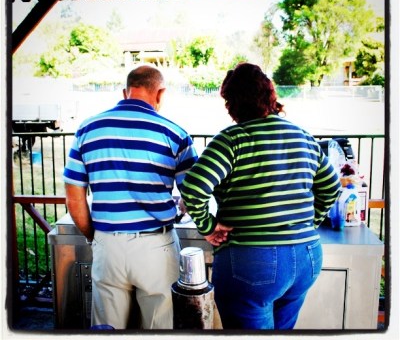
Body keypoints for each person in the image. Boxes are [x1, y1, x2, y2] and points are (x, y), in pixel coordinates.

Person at [180, 62, 341, 330]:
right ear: (270, 95)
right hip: (307, 257)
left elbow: (193, 187)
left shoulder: (232, 139)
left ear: (232, 103)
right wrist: (309, 223)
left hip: (252, 261)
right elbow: (331, 187)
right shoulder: (303, 137)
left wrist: (208, 227)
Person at [63, 65, 198, 330]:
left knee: (107, 329)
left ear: (126, 92)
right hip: (156, 246)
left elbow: (74, 197)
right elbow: (193, 195)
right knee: (160, 327)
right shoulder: (175, 134)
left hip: (108, 244)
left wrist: (94, 236)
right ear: (160, 93)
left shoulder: (87, 130)